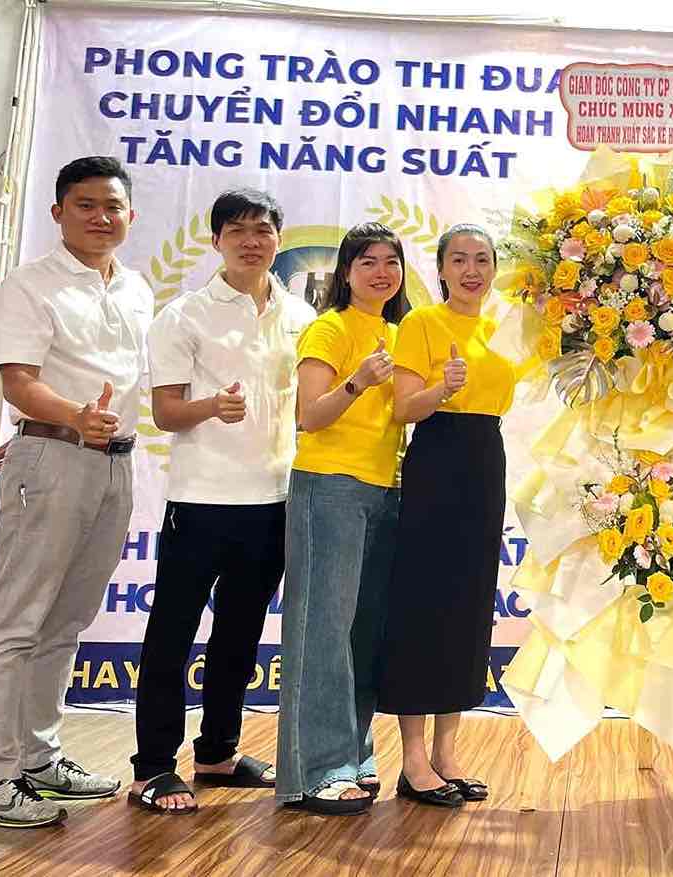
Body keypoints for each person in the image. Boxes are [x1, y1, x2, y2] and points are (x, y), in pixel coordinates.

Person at [0, 156, 151, 828]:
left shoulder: (135, 288)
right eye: (86, 205)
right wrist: (64, 422)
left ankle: (38, 760)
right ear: (57, 212)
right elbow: (18, 381)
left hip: (113, 465)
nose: (102, 217)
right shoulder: (30, 285)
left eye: (113, 206)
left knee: (65, 620)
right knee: (15, 620)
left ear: (130, 215)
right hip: (57, 454)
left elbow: (129, 386)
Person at [128, 189, 316, 814]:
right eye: (236, 230)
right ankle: (153, 767)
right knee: (172, 632)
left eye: (262, 229)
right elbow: (164, 411)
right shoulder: (183, 315)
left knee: (241, 632)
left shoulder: (300, 316)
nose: (250, 240)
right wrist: (212, 406)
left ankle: (216, 753)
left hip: (274, 497)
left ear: (277, 239)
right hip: (201, 499)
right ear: (216, 241)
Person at [377, 224, 515, 808]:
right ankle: (411, 761)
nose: (471, 270)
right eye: (458, 260)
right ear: (440, 269)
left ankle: (447, 753)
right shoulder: (421, 323)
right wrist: (442, 385)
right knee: (422, 606)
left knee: (467, 604)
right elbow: (403, 408)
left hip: (486, 459)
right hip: (436, 456)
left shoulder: (504, 330)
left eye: (482, 260)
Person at [275, 222, 408, 815]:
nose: (381, 272)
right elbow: (311, 415)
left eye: (391, 261)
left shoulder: (401, 332)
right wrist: (360, 381)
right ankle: (313, 772)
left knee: (362, 630)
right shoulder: (328, 328)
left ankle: (351, 755)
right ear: (346, 273)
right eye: (367, 262)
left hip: (385, 490)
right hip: (329, 486)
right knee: (321, 630)